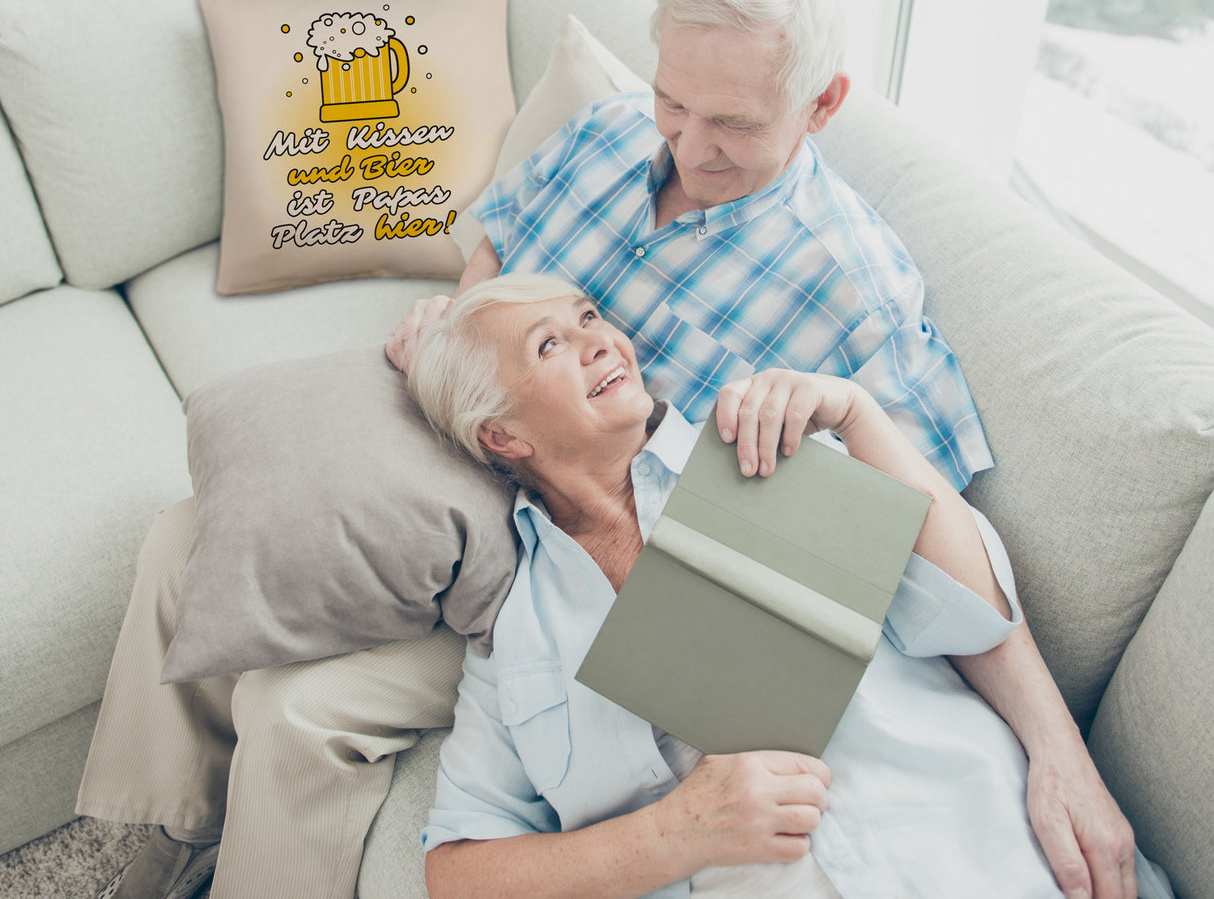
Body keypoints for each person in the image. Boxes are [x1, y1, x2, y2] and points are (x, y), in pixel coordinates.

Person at [79, 0, 1131, 899]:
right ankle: (159, 835)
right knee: (192, 532)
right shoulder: (608, 132)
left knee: (300, 709)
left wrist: (1057, 748)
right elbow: (497, 247)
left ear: (820, 105)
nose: (687, 142)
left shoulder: (853, 292)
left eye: (732, 123)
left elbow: (927, 540)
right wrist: (457, 327)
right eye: (674, 100)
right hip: (488, 432)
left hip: (580, 537)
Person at [407, 273, 1157, 899]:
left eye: (589, 317)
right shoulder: (516, 637)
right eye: (550, 344)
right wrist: (672, 835)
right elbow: (457, 871)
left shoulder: (761, 446)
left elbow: (972, 614)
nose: (601, 339)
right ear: (502, 435)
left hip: (988, 851)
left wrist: (858, 415)